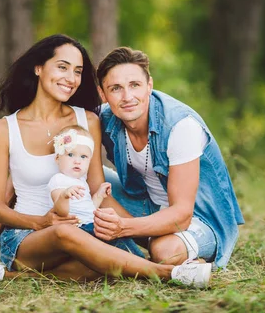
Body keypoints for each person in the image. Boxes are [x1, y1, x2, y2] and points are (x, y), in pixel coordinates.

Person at [0, 34, 211, 288]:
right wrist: (41, 221)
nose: (71, 78)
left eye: (78, 71)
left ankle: (7, 276)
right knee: (64, 233)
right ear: (38, 68)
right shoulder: (4, 129)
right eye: (62, 67)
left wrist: (128, 230)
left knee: (102, 265)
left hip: (81, 227)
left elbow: (98, 187)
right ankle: (168, 274)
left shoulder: (89, 120)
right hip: (27, 238)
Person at [92, 47, 245, 269]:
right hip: (147, 205)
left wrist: (123, 228)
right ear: (103, 94)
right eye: (116, 88)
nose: (127, 97)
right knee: (90, 182)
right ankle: (148, 239)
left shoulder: (180, 126)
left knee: (164, 252)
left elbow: (182, 214)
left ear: (149, 86)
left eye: (135, 85)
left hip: (198, 218)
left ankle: (155, 245)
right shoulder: (104, 118)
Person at [47, 125, 143, 257]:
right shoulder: (58, 180)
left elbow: (90, 208)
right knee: (109, 244)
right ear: (57, 158)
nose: (77, 161)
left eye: (83, 157)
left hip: (92, 224)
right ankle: (135, 262)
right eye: (70, 154)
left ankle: (139, 259)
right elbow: (61, 212)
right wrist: (64, 196)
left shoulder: (82, 182)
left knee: (117, 236)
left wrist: (99, 195)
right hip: (78, 228)